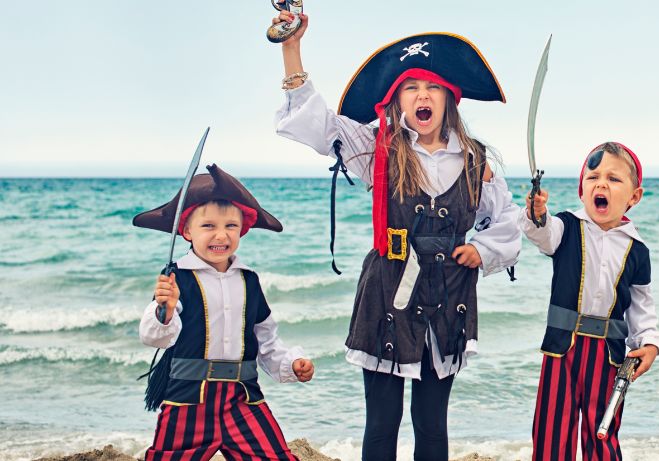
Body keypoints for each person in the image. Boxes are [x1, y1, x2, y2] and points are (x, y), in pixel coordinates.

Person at [271, 11, 522, 461]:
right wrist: (292, 47)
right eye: (411, 88)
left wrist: (480, 251)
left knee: (431, 424)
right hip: (388, 291)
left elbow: (504, 220)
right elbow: (318, 125)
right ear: (396, 101)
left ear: (449, 98)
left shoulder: (475, 159)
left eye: (431, 88)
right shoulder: (376, 148)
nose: (422, 96)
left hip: (449, 294)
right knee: (382, 422)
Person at [134, 164, 315, 461]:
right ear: (186, 230)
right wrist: (164, 309)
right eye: (208, 226)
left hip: (242, 400)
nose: (221, 235)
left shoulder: (249, 280)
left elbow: (266, 342)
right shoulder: (176, 278)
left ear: (242, 229)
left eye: (230, 226)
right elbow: (154, 337)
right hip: (187, 401)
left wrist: (292, 363)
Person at [522, 142, 659, 460]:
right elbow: (540, 233)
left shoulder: (637, 250)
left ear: (633, 197)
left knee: (603, 429)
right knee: (552, 428)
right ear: (581, 191)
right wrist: (536, 214)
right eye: (593, 177)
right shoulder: (564, 227)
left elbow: (642, 306)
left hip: (609, 355)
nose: (601, 184)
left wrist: (649, 343)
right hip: (562, 347)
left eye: (614, 179)